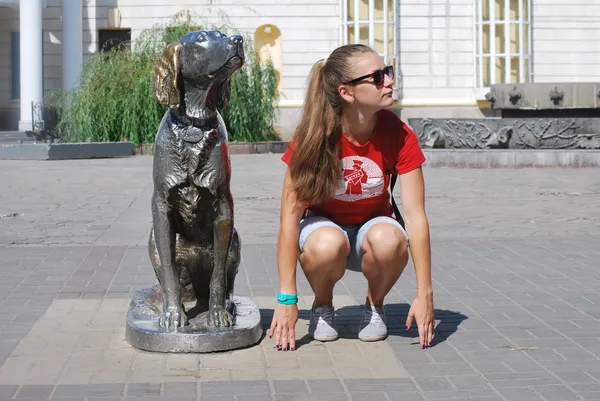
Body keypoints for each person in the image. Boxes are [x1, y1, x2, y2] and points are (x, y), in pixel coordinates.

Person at [268, 43, 434, 351]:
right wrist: (287, 299)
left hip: (371, 232)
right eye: (377, 76)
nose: (389, 80)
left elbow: (415, 217)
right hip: (323, 233)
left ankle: (374, 305)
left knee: (391, 239)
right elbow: (289, 222)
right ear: (347, 92)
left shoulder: (398, 133)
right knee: (328, 242)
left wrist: (425, 294)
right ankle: (322, 304)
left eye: (388, 71)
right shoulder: (312, 137)